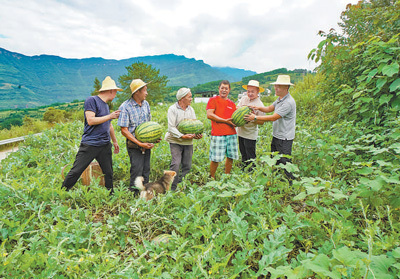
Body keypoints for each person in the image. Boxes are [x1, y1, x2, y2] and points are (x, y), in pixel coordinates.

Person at [62, 76, 121, 193]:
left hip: (104, 144)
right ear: (111, 91)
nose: (115, 94)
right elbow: (91, 120)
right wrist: (110, 116)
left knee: (108, 172)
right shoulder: (92, 100)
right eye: (115, 92)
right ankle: (62, 192)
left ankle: (111, 195)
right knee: (76, 171)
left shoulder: (105, 105)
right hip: (90, 144)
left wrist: (114, 141)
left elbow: (109, 125)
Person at [244, 75, 296, 184]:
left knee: (285, 161)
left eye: (279, 86)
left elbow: (273, 117)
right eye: (276, 86)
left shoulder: (288, 102)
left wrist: (255, 117)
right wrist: (258, 108)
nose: (276, 88)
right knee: (275, 159)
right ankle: (277, 181)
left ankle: (291, 183)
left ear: (286, 87)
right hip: (277, 135)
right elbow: (269, 109)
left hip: (285, 137)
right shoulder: (279, 99)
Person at [117, 79, 156, 193]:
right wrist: (139, 143)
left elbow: (149, 125)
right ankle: (134, 195)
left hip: (146, 142)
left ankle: (145, 193)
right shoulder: (125, 107)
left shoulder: (146, 104)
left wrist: (154, 138)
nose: (147, 93)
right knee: (137, 170)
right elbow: (124, 130)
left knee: (146, 169)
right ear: (137, 92)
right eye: (145, 90)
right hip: (134, 144)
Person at [165, 88, 203, 190]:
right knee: (175, 164)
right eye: (189, 97)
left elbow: (194, 125)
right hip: (175, 141)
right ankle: (171, 188)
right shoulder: (172, 109)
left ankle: (182, 186)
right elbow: (171, 127)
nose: (191, 99)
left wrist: (197, 135)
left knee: (187, 165)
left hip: (188, 142)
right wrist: (182, 136)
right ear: (182, 98)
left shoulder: (191, 109)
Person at [206, 80, 238, 179]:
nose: (224, 90)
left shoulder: (232, 104)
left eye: (226, 88)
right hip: (218, 134)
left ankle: (227, 176)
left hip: (231, 134)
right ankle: (212, 177)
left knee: (231, 157)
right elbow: (209, 115)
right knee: (215, 158)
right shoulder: (213, 100)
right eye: (222, 88)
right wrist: (225, 121)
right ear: (219, 89)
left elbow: (236, 119)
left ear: (229, 90)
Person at [237, 80, 266, 170]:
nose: (250, 93)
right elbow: (237, 108)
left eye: (252, 91)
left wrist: (253, 118)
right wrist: (241, 109)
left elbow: (261, 122)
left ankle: (251, 171)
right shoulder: (243, 99)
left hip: (250, 134)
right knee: (243, 152)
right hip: (240, 131)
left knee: (250, 154)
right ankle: (243, 168)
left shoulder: (259, 104)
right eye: (248, 91)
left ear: (257, 91)